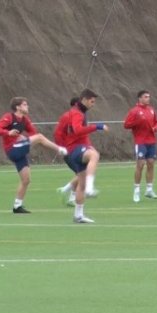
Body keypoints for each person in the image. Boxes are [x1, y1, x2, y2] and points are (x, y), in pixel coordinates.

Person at [0, 97, 68, 214]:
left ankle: (17, 206)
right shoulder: (9, 117)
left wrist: (26, 138)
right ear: (18, 107)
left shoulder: (25, 120)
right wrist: (8, 132)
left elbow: (33, 133)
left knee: (26, 180)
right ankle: (59, 149)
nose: (27, 106)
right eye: (25, 104)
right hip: (12, 149)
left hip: (19, 150)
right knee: (40, 137)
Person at [55, 89, 107, 224]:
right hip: (75, 149)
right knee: (94, 155)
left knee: (81, 182)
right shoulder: (77, 114)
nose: (93, 104)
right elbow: (78, 130)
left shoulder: (70, 113)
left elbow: (58, 133)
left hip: (69, 152)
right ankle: (90, 188)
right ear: (84, 99)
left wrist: (62, 148)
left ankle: (78, 215)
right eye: (92, 101)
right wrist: (98, 127)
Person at [123, 90, 157, 203]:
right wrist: (136, 122)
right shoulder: (134, 111)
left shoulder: (151, 110)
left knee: (151, 163)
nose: (148, 98)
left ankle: (149, 189)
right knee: (140, 164)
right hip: (140, 141)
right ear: (140, 98)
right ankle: (137, 190)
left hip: (151, 141)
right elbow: (126, 125)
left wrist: (156, 128)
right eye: (145, 97)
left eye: (149, 96)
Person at [55, 97, 80, 207]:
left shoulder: (78, 116)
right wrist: (62, 148)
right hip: (69, 150)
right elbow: (58, 133)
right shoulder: (68, 116)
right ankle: (65, 190)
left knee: (80, 173)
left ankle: (72, 198)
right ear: (76, 104)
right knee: (83, 172)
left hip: (76, 148)